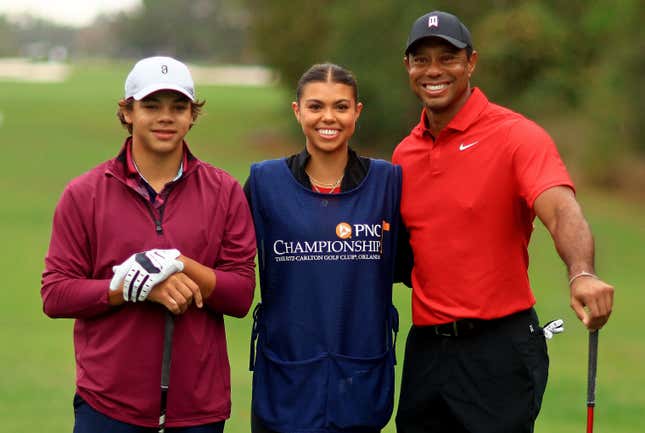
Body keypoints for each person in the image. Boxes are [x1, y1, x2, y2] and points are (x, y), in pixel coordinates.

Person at [392, 11, 615, 433]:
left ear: (471, 62)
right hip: (426, 351)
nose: (434, 70)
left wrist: (581, 272)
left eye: (448, 57)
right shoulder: (405, 153)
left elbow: (560, 206)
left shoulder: (517, 136)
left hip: (498, 349)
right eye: (421, 59)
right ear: (408, 67)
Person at [41, 56, 256, 432]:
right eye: (151, 106)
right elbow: (56, 294)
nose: (166, 117)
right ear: (127, 112)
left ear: (192, 115)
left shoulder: (224, 191)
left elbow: (240, 295)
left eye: (178, 106)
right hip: (107, 406)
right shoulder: (84, 194)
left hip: (198, 410)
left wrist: (177, 262)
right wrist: (130, 288)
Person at [246, 63, 404, 433]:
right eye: (316, 106)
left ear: (357, 112)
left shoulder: (388, 183)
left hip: (361, 385)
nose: (328, 117)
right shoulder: (264, 183)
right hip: (284, 386)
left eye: (341, 106)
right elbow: (226, 263)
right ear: (297, 111)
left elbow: (418, 265)